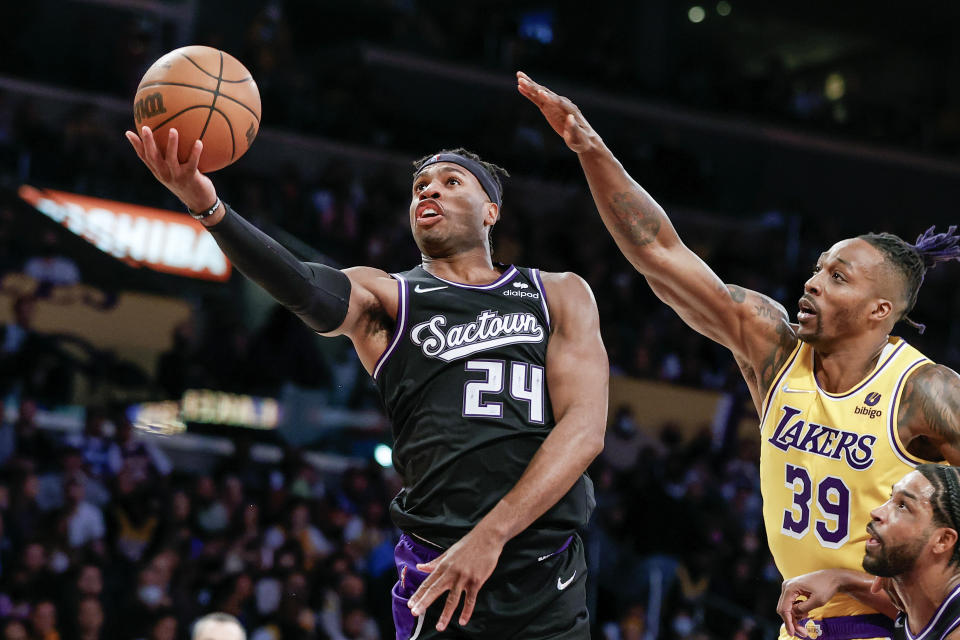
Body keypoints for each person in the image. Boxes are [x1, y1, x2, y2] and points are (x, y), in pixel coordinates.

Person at [516, 70, 960, 640]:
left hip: (886, 621)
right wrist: (591, 149)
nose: (814, 281)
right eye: (819, 266)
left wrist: (860, 587)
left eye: (838, 276)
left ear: (879, 311)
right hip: (803, 618)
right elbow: (658, 252)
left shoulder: (926, 392)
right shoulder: (774, 349)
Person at [125, 125, 608, 639]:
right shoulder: (389, 297)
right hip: (439, 567)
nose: (430, 190)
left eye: (451, 181)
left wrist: (493, 534)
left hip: (545, 568)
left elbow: (584, 431)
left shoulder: (557, 294)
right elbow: (303, 286)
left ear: (491, 211)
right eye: (421, 185)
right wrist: (210, 208)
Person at [777, 465, 960, 640]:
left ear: (943, 540)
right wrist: (839, 579)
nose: (876, 512)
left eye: (903, 505)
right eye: (891, 498)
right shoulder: (922, 609)